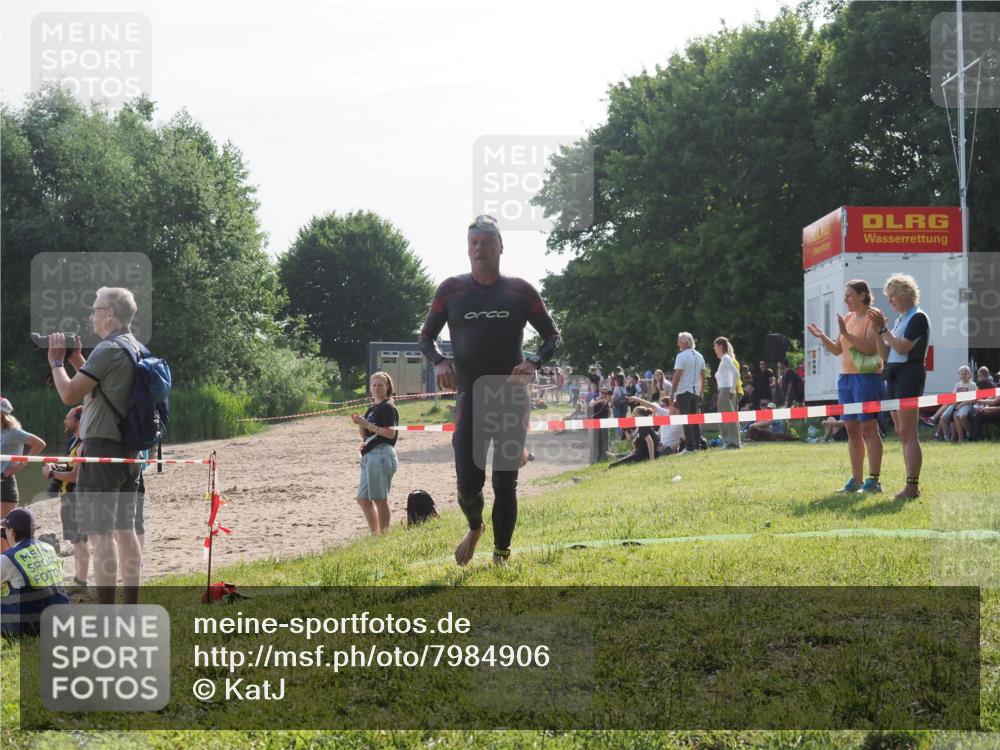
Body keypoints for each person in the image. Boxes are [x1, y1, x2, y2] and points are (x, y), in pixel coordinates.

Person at [419, 214, 561, 566]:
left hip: (510, 398)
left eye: (486, 241)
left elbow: (553, 336)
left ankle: (501, 554)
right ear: (468, 249)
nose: (479, 248)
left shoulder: (519, 290)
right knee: (468, 481)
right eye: (473, 243)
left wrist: (533, 362)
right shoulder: (452, 290)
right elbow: (426, 336)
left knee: (504, 481)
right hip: (469, 396)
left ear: (501, 246)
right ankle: (474, 526)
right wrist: (439, 361)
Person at [47, 286, 143, 604]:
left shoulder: (108, 349)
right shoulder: (133, 347)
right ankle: (130, 606)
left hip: (102, 449)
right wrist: (77, 360)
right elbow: (101, 390)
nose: (92, 314)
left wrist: (56, 362)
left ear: (110, 314)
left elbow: (70, 395)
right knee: (125, 531)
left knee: (101, 536)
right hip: (129, 451)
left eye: (95, 309)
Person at [806, 279, 884, 494]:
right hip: (846, 379)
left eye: (849, 295)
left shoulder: (873, 316)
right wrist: (822, 336)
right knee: (851, 430)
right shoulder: (848, 318)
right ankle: (856, 480)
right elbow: (838, 350)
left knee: (869, 429)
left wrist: (847, 334)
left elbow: (870, 350)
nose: (845, 299)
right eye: (845, 296)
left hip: (867, 378)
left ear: (862, 295)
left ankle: (874, 480)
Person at [869, 273, 930, 500]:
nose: (890, 301)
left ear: (905, 294)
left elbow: (903, 348)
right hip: (894, 375)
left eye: (892, 296)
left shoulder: (918, 318)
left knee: (909, 433)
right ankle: (909, 485)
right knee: (902, 433)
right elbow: (886, 353)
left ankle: (912, 487)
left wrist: (884, 331)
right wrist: (878, 331)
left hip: (909, 375)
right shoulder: (899, 319)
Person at [1, 508, 69, 638]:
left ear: (12, 532)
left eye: (5, 529)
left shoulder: (8, 559)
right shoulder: (49, 548)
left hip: (29, 629)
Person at [42, 406, 88, 586]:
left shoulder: (84, 444)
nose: (64, 421)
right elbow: (70, 468)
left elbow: (76, 476)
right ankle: (79, 578)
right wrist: (55, 467)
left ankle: (81, 581)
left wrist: (51, 474)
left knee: (81, 540)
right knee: (76, 541)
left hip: (77, 499)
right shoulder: (72, 442)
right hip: (67, 497)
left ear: (78, 422)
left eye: (68, 418)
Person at [350, 371, 399, 535]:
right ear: (370, 387)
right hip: (369, 455)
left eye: (381, 385)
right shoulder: (372, 408)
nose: (377, 388)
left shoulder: (388, 407)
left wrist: (366, 423)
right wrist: (360, 423)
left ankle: (383, 535)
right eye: (374, 385)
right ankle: (375, 534)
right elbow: (364, 436)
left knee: (379, 498)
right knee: (363, 499)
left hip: (382, 454)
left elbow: (390, 434)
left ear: (387, 387)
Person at [0, 397, 46, 552]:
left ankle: (9, 564)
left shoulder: (13, 432)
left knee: (6, 529)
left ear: (1, 414)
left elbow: (39, 444)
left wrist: (18, 466)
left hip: (5, 482)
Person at [670, 332, 706, 452]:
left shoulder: (681, 356)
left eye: (679, 341)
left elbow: (677, 376)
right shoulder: (700, 356)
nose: (677, 344)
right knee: (694, 420)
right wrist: (701, 393)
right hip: (695, 392)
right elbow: (703, 376)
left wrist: (671, 393)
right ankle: (697, 444)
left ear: (685, 342)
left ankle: (690, 447)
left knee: (686, 420)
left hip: (684, 391)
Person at [713, 337, 741, 449]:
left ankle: (731, 442)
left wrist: (732, 390)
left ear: (720, 346)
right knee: (725, 417)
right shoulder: (725, 359)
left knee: (728, 418)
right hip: (723, 390)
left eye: (715, 346)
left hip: (725, 390)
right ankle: (728, 441)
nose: (714, 349)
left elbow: (736, 373)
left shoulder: (725, 358)